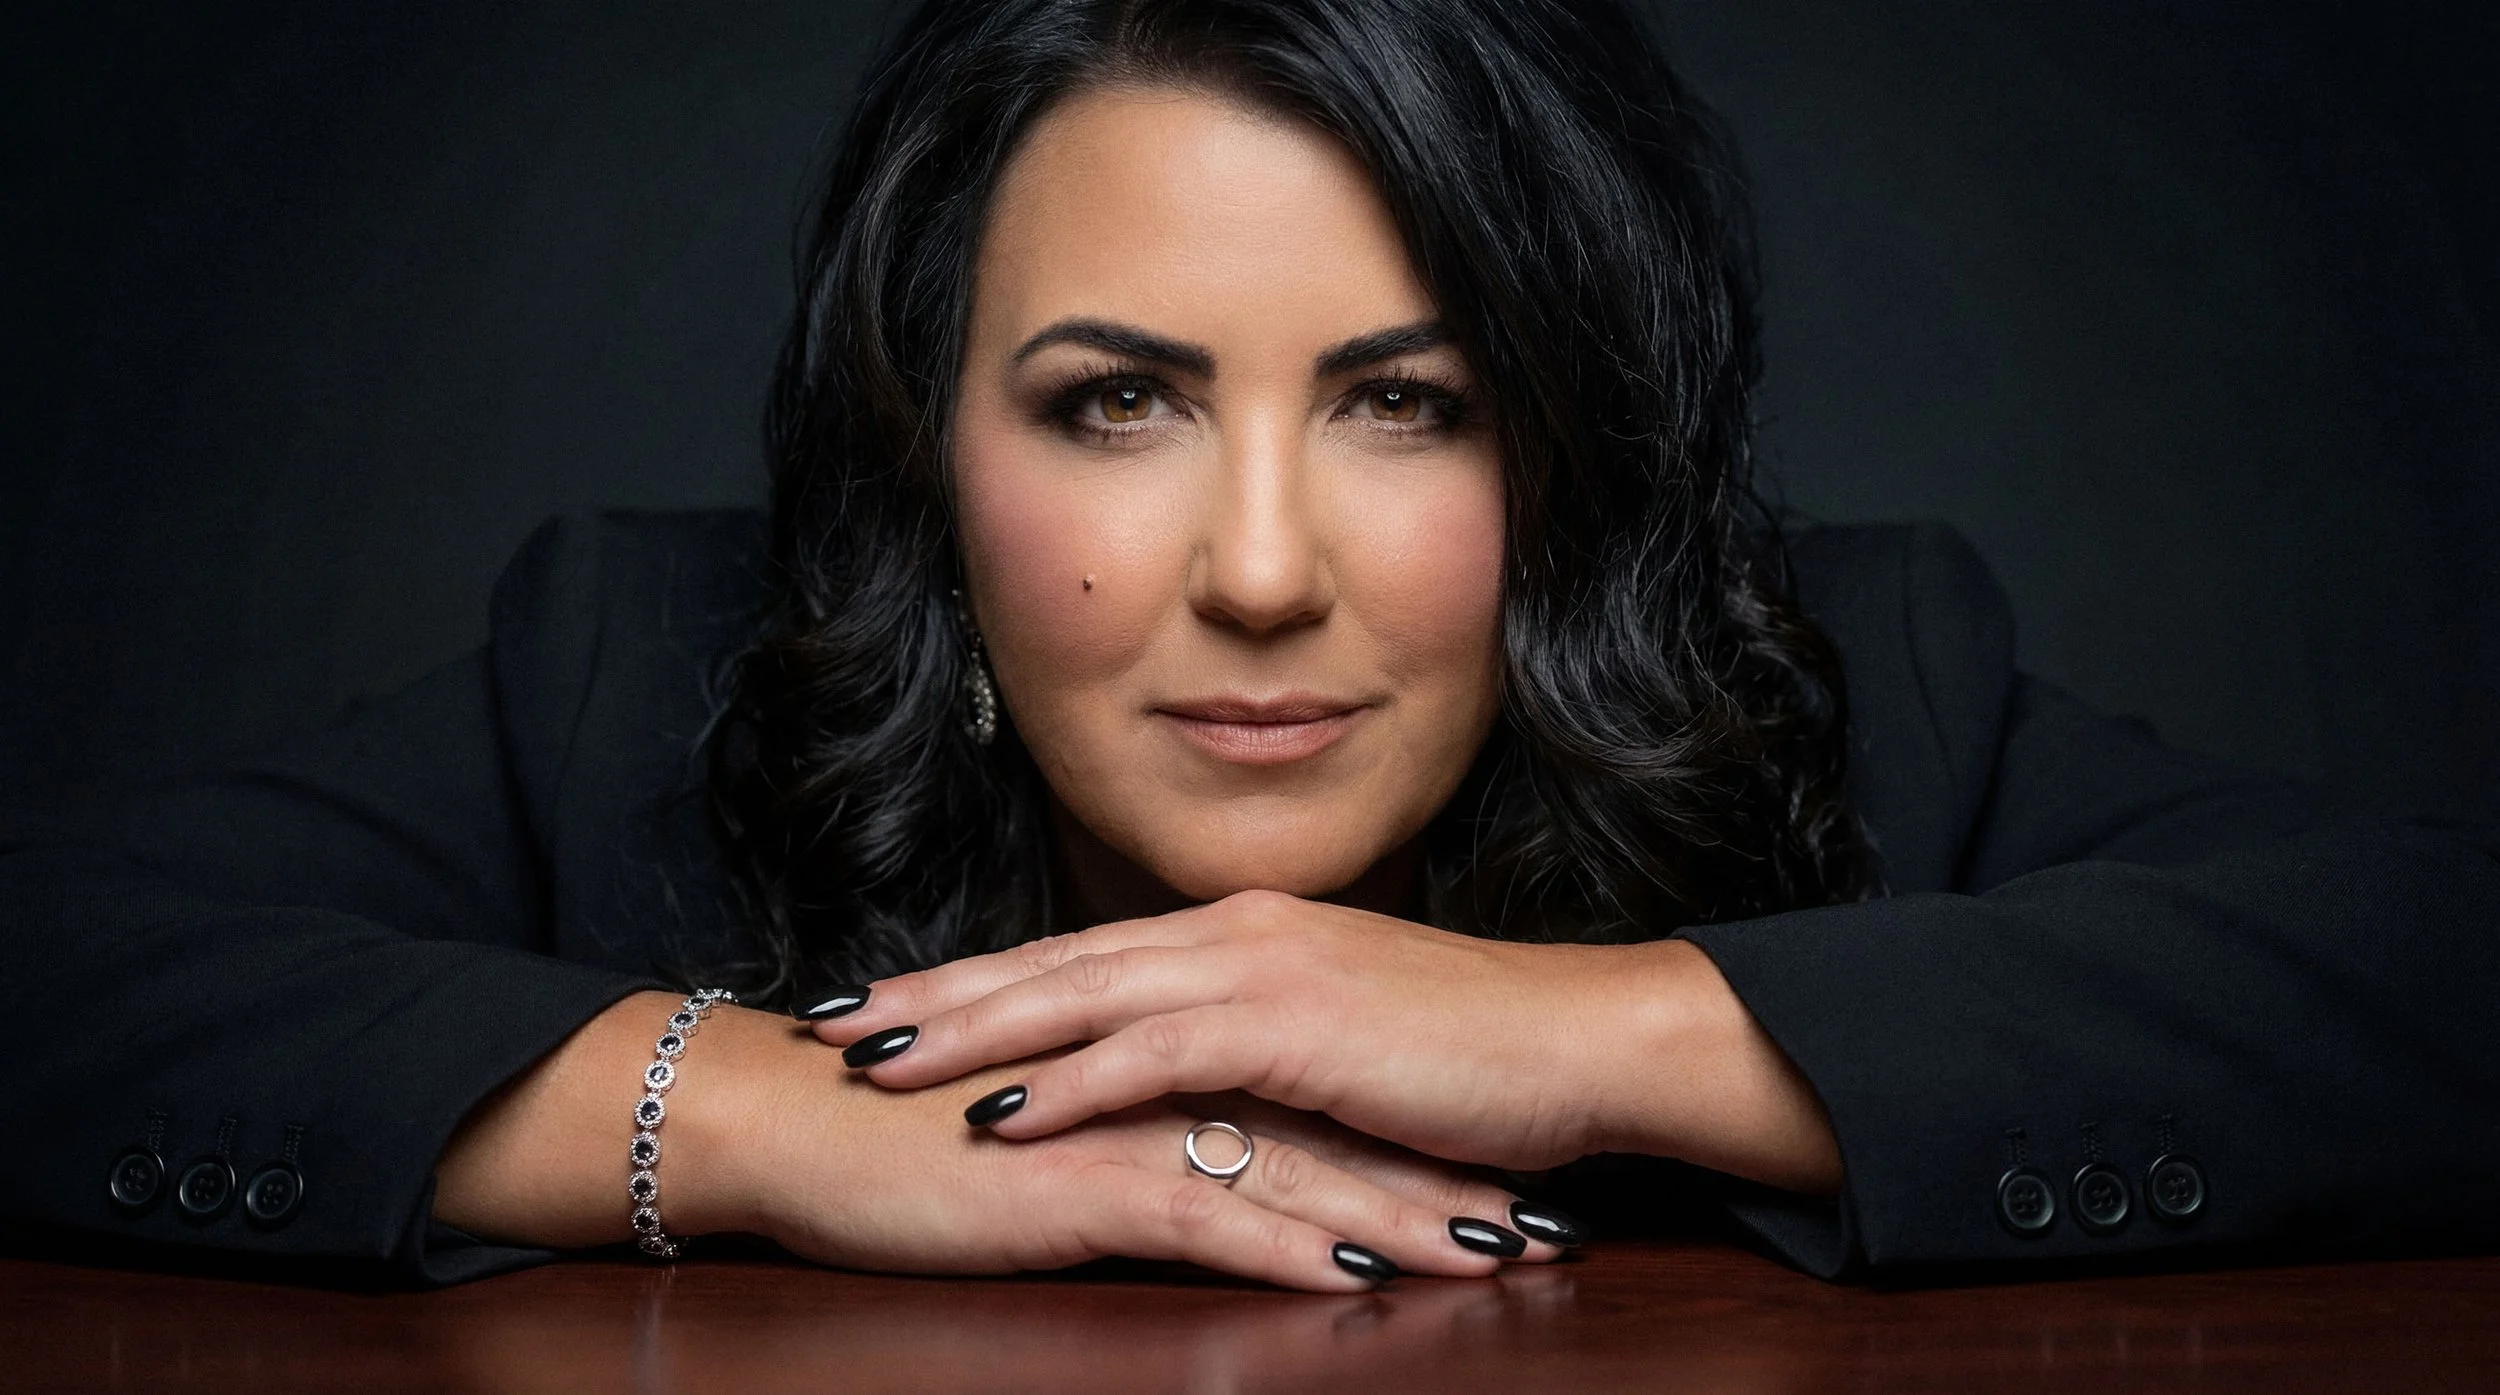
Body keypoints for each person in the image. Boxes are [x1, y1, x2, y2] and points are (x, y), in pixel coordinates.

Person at [5, 0, 2494, 1291]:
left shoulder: (1867, 674)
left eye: (1408, 404)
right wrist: (757, 1121)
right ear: (922, 437)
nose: (1266, 570)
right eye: (1114, 403)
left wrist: (1599, 1034)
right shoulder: (633, 670)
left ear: (1570, 448)